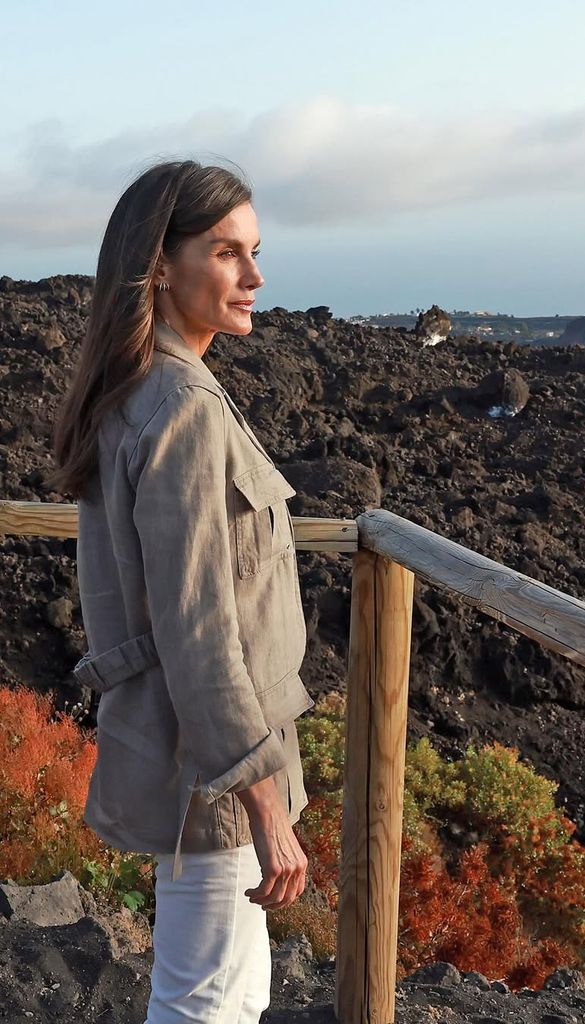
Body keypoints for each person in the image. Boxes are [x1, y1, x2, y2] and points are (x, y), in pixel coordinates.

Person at [47, 159, 315, 1022]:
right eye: (228, 252)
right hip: (211, 773)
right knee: (203, 1002)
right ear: (160, 265)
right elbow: (198, 629)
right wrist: (263, 801)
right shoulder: (182, 406)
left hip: (188, 754)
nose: (255, 276)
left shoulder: (137, 389)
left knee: (232, 994)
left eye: (255, 251)